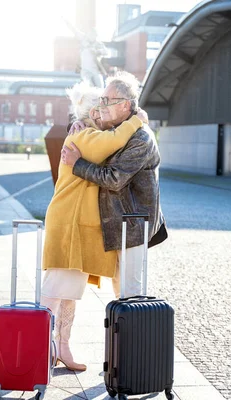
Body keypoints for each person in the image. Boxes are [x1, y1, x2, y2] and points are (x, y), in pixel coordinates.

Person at [40, 81, 148, 371]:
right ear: (91, 113)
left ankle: (61, 348)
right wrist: (137, 119)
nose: (105, 112)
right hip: (69, 224)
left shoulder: (84, 133)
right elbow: (112, 142)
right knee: (54, 291)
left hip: (77, 225)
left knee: (69, 293)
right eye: (100, 107)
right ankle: (41, 350)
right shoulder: (85, 137)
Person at [62, 71, 165, 299]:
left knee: (130, 295)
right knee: (120, 293)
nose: (103, 105)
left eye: (109, 101)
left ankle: (135, 335)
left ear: (126, 106)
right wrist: (79, 122)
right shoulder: (113, 130)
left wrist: (77, 164)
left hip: (134, 226)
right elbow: (95, 134)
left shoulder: (141, 138)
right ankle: (123, 335)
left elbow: (114, 178)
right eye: (102, 99)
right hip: (118, 227)